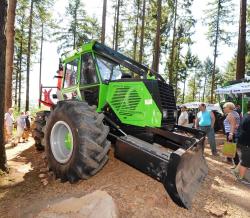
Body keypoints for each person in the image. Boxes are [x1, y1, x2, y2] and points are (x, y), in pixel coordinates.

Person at [233, 111, 250, 185]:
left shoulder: (247, 114)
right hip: (246, 142)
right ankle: (240, 178)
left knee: (244, 158)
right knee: (246, 161)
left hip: (242, 141)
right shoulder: (248, 118)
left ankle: (236, 171)